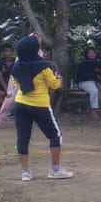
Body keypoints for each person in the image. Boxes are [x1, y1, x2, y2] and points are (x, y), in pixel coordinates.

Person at [11, 35, 73, 180]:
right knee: (55, 135)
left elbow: (18, 85)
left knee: (22, 138)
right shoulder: (44, 66)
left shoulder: (16, 67)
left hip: (20, 104)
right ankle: (55, 169)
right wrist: (60, 79)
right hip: (40, 105)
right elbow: (54, 85)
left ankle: (25, 172)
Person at [74, 47, 101, 118]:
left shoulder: (98, 62)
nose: (91, 54)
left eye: (93, 53)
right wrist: (98, 84)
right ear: (86, 54)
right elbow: (88, 76)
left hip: (96, 81)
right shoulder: (83, 63)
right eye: (89, 53)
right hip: (84, 81)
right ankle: (93, 111)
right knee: (94, 91)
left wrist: (99, 81)